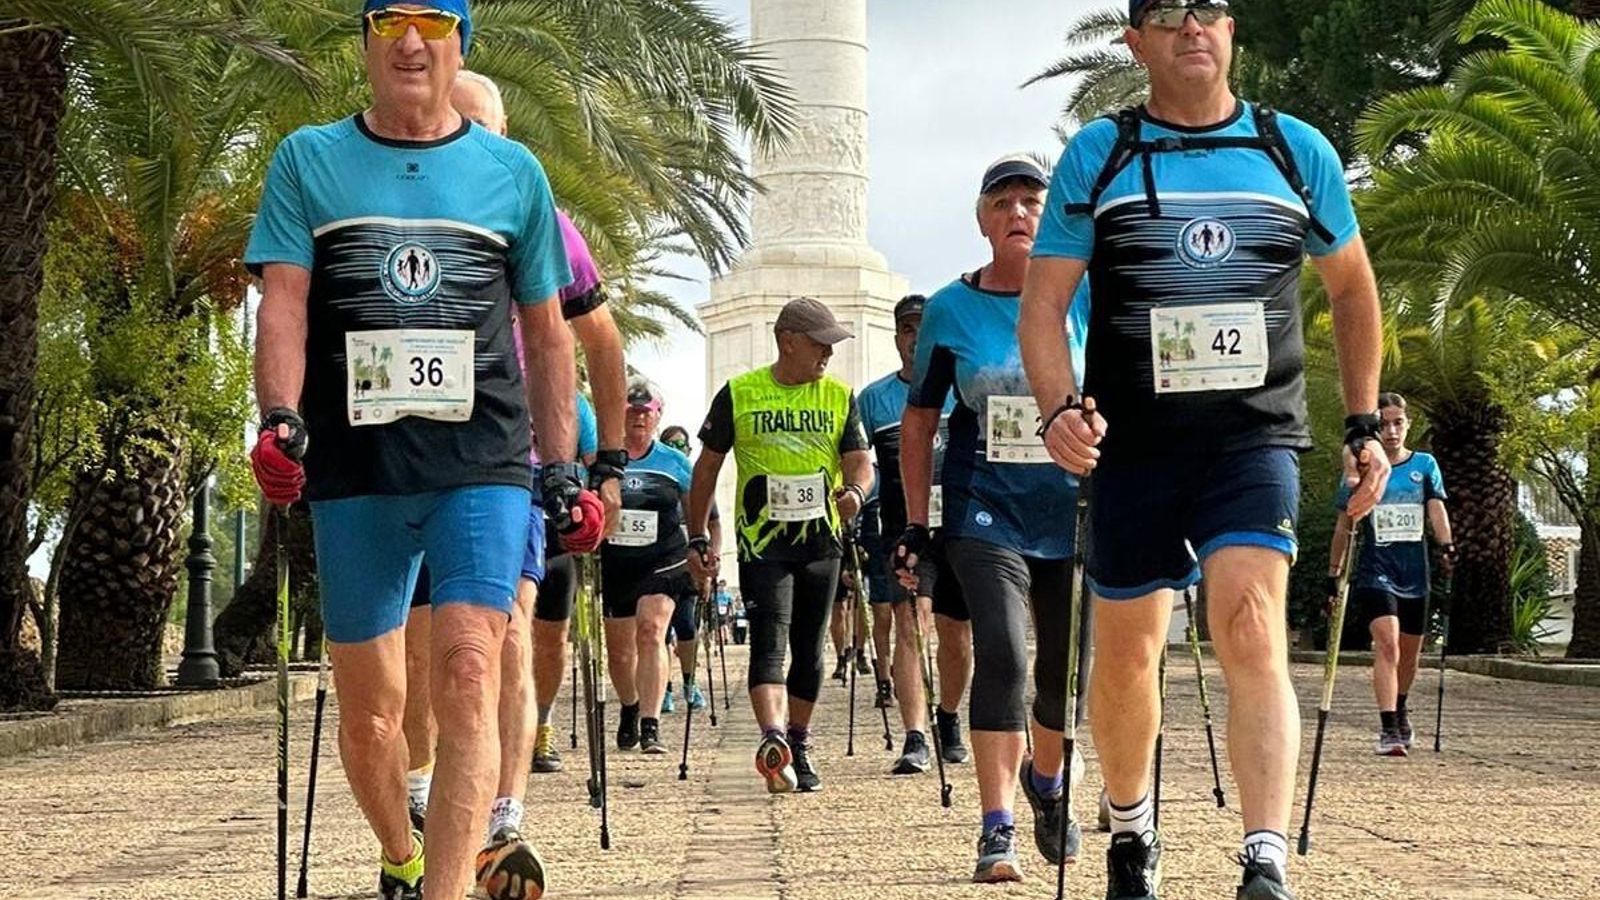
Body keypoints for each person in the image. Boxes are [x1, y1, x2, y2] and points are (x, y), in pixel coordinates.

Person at [1019, 3, 1390, 898]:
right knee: (1126, 650)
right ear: (1134, 40)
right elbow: (1043, 305)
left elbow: (1351, 289)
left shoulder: (1292, 150)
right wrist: (1058, 409)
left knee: (1251, 621)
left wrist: (1364, 425)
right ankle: (1131, 827)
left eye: (1212, 9)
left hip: (1250, 437)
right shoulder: (1098, 155)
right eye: (1169, 12)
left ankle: (1264, 855)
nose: (1194, 25)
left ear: (1233, 32)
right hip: (1132, 443)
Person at [245, 3, 584, 897]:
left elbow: (550, 337)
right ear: (363, 42)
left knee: (471, 664)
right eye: (388, 21)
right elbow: (283, 301)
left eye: (432, 22)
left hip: (481, 461)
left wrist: (567, 469)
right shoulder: (308, 160)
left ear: (459, 44)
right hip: (357, 468)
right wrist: (279, 418)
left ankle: (446, 890)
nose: (409, 42)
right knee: (371, 716)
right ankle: (401, 853)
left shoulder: (512, 174)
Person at [895, 154, 1089, 883]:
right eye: (1002, 201)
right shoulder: (951, 308)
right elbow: (919, 422)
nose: (1018, 213)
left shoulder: (1086, 295)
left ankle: (1047, 780)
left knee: (1066, 673)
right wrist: (918, 521)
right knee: (1003, 652)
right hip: (985, 509)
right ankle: (996, 825)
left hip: (1070, 509)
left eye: (1032, 200)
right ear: (982, 221)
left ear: (1053, 214)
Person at [686, 297, 874, 794]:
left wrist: (856, 492)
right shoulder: (740, 393)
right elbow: (706, 469)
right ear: (787, 341)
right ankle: (773, 740)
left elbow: (859, 461)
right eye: (819, 344)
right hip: (762, 542)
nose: (828, 355)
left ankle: (798, 740)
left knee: (809, 648)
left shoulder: (838, 396)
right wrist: (697, 536)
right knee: (769, 640)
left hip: (822, 540)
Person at [859, 294, 971, 775]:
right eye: (907, 330)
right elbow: (859, 461)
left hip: (963, 527)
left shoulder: (965, 387)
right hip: (903, 531)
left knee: (956, 636)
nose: (915, 338)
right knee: (908, 628)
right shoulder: (873, 398)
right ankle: (914, 735)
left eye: (923, 328)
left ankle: (947, 715)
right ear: (897, 337)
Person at [1329, 392, 1454, 755]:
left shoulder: (1425, 465)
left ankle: (1399, 706)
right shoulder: (1363, 467)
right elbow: (1343, 525)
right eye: (1383, 424)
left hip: (1415, 570)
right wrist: (1333, 575)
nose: (1391, 430)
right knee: (1387, 644)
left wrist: (1446, 545)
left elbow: (1436, 510)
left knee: (1410, 654)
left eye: (1398, 422)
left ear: (1408, 424)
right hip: (1375, 569)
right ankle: (1388, 728)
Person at [597, 380, 699, 754]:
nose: (639, 417)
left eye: (646, 411)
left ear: (658, 416)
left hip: (663, 560)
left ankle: (651, 723)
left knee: (652, 632)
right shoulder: (603, 458)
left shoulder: (675, 462)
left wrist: (703, 549)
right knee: (621, 654)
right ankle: (629, 706)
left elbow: (700, 512)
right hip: (617, 562)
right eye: (631, 411)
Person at [659, 424, 715, 714]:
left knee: (686, 626)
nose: (676, 450)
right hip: (659, 563)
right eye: (670, 444)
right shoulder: (659, 476)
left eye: (682, 445)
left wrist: (710, 560)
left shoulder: (696, 483)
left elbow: (713, 523)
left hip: (689, 565)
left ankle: (689, 683)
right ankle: (663, 687)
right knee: (661, 631)